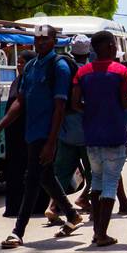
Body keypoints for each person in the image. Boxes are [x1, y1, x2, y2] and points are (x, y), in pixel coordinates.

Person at [0, 25, 82, 247]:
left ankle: (18, 231)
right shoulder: (30, 67)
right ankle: (71, 214)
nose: (40, 43)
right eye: (37, 39)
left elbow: (60, 106)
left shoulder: (58, 67)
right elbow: (20, 101)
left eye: (45, 39)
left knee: (32, 178)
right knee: (45, 176)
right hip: (31, 130)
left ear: (54, 40)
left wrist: (51, 142)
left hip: (48, 132)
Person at [71, 31, 127, 247]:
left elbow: (74, 104)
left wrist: (91, 111)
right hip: (114, 135)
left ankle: (97, 233)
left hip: (91, 135)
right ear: (110, 46)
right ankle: (101, 234)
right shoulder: (121, 72)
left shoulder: (82, 73)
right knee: (109, 183)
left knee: (97, 182)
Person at [52, 35, 93, 218]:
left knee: (61, 172)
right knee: (93, 170)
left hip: (65, 127)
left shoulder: (64, 67)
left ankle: (53, 207)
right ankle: (84, 197)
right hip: (85, 128)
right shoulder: (89, 71)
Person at [2, 49, 38, 218]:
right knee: (15, 170)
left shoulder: (33, 81)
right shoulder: (19, 81)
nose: (19, 65)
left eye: (23, 62)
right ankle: (14, 207)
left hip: (28, 133)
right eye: (18, 62)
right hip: (15, 135)